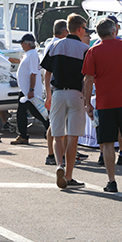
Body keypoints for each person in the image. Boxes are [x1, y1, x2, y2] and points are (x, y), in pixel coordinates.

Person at [82, 18, 122, 192]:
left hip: (105, 103)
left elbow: (88, 80)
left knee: (108, 143)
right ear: (114, 31)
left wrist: (87, 103)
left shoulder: (93, 51)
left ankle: (111, 181)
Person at [41, 13, 89, 190]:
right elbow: (87, 77)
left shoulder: (54, 46)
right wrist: (87, 99)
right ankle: (69, 175)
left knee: (57, 134)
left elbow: (47, 73)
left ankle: (59, 165)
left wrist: (48, 94)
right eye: (84, 29)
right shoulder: (84, 49)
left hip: (58, 93)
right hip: (76, 94)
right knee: (73, 137)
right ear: (79, 29)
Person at [9, 33, 49, 146]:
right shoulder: (28, 54)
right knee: (27, 112)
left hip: (30, 91)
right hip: (26, 90)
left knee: (37, 112)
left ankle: (50, 130)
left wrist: (31, 89)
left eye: (22, 43)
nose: (21, 45)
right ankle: (23, 135)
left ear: (27, 43)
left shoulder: (32, 55)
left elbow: (33, 73)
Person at [42, 20, 68, 165]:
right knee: (56, 124)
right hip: (55, 87)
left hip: (53, 88)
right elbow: (48, 72)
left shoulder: (51, 45)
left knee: (56, 123)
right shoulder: (56, 45)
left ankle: (54, 154)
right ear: (64, 32)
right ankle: (53, 154)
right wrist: (48, 94)